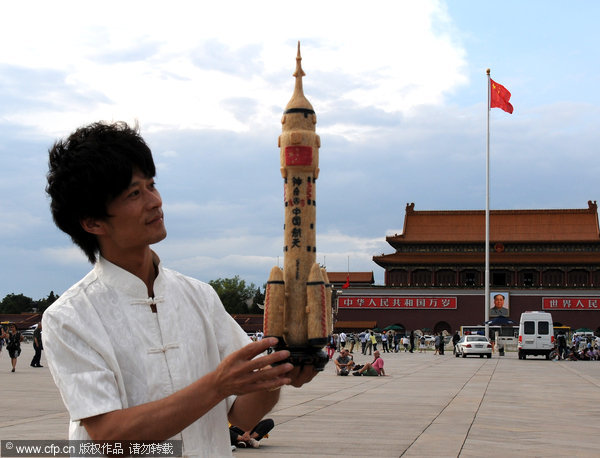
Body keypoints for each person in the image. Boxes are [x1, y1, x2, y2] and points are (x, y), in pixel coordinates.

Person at [42, 122, 316, 455]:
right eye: (134, 193)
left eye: (151, 185)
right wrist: (217, 386)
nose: (154, 201)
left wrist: (275, 375)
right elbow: (111, 435)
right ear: (93, 222)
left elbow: (241, 414)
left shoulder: (199, 297)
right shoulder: (69, 317)